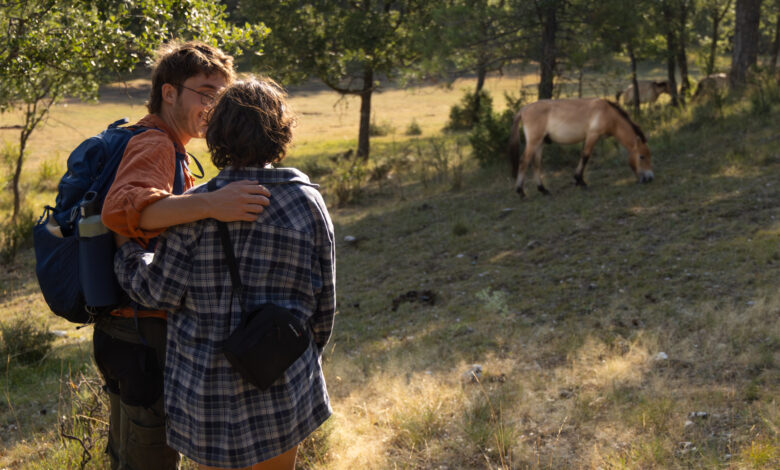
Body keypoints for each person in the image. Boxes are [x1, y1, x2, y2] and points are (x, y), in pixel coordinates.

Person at [114, 77, 335, 470]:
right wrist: (305, 357)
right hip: (283, 379)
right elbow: (325, 304)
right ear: (280, 133)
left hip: (208, 394)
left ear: (216, 135)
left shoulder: (194, 210)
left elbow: (157, 293)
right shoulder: (308, 202)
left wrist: (126, 251)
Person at [95, 42, 272, 469]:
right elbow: (119, 210)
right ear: (169, 93)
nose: (215, 105)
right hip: (141, 332)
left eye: (221, 96)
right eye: (206, 92)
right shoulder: (156, 144)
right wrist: (212, 203)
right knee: (149, 456)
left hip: (125, 329)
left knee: (130, 450)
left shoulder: (166, 144)